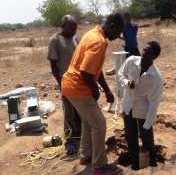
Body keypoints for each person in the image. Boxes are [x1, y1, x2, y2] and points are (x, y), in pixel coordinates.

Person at [61, 13, 124, 175]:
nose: (118, 37)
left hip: (71, 86)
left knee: (89, 122)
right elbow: (86, 72)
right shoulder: (99, 41)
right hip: (78, 87)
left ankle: (86, 155)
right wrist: (95, 90)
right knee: (99, 124)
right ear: (111, 26)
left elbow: (95, 68)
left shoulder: (92, 34)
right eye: (118, 32)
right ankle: (99, 165)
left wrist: (107, 90)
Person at [118, 41, 163, 170]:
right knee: (131, 137)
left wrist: (148, 123)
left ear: (154, 57)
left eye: (148, 52)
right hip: (128, 106)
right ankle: (135, 164)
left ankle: (152, 163)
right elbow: (120, 74)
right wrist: (127, 83)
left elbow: (154, 103)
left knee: (147, 138)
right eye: (144, 50)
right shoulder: (131, 61)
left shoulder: (156, 78)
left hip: (144, 110)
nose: (143, 53)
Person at [47, 15, 82, 155]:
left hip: (78, 82)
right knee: (69, 114)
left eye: (75, 27)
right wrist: (60, 83)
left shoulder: (75, 39)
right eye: (72, 27)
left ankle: (80, 137)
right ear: (63, 26)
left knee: (80, 111)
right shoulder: (55, 40)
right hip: (66, 82)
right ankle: (70, 141)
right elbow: (53, 66)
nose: (74, 30)